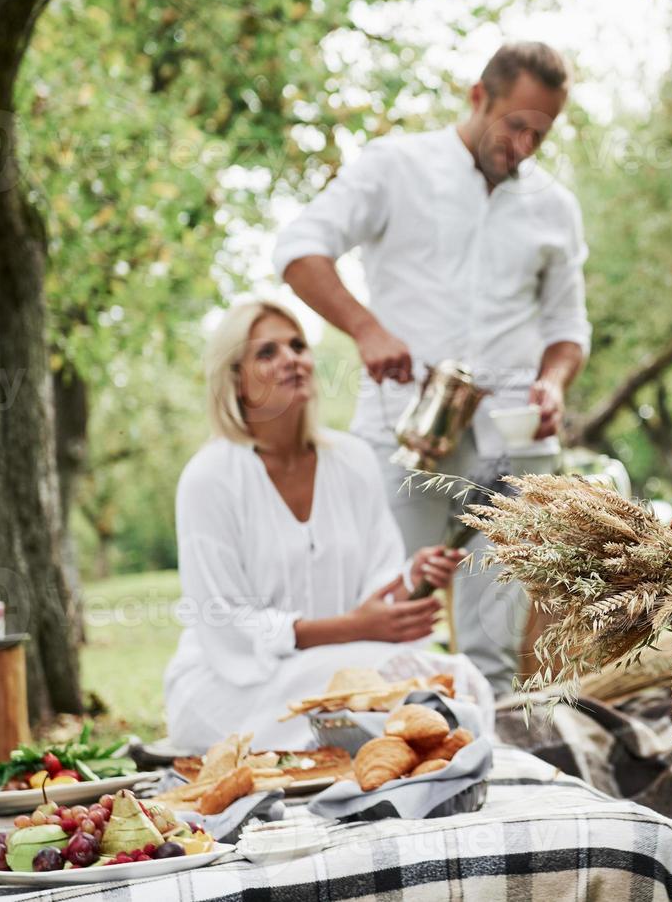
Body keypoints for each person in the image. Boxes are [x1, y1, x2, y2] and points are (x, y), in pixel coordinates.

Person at [273, 42, 592, 695]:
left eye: (541, 132)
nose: (525, 145)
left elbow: (567, 331)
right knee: (392, 623)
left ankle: (497, 777)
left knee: (496, 645)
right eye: (514, 125)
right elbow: (299, 249)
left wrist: (553, 383)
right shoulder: (396, 166)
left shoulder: (554, 207)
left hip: (514, 447)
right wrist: (365, 330)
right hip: (404, 435)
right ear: (478, 97)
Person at [162, 300, 479, 752]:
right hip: (235, 685)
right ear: (236, 379)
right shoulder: (209, 477)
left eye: (297, 345)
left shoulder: (352, 460)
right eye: (267, 353)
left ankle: (373, 740)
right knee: (408, 700)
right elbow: (225, 623)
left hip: (342, 663)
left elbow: (376, 583)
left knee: (460, 680)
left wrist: (411, 580)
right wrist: (353, 628)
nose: (292, 358)